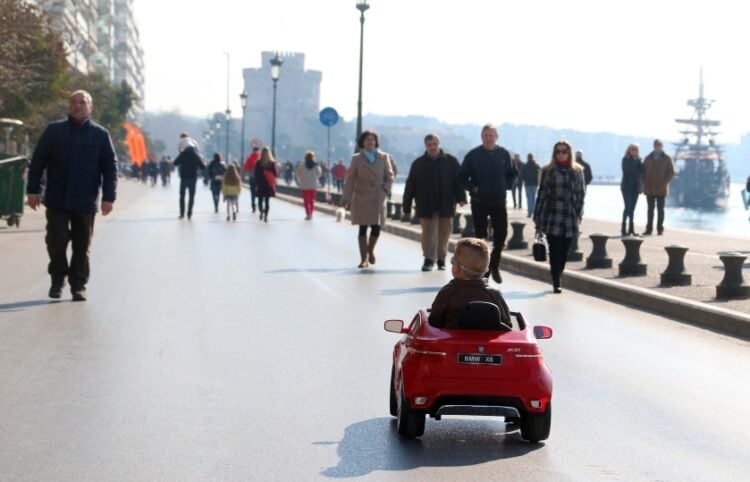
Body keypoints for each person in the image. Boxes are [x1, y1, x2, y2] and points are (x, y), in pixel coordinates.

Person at [26, 90, 118, 301]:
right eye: (74, 102)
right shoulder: (54, 131)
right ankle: (58, 279)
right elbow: (38, 161)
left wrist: (108, 197)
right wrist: (33, 190)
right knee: (55, 241)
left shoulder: (100, 134)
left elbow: (110, 168)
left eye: (83, 102)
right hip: (57, 198)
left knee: (81, 244)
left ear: (90, 108)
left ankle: (78, 285)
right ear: (69, 106)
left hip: (85, 200)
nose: (78, 105)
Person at [457, 124, 518, 284]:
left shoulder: (504, 154)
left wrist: (507, 185)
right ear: (481, 137)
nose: (488, 138)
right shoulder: (473, 155)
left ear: (496, 137)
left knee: (501, 236)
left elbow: (514, 173)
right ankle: (482, 271)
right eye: (486, 135)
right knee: (480, 239)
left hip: (499, 201)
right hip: (479, 202)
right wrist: (473, 188)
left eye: (491, 135)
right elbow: (461, 177)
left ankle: (494, 266)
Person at [402, 133, 466, 271]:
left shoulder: (451, 161)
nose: (432, 147)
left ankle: (441, 259)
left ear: (439, 144)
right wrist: (406, 206)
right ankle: (429, 259)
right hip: (426, 204)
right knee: (428, 234)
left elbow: (458, 182)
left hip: (446, 204)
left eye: (435, 144)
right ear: (426, 146)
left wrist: (461, 198)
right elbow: (410, 185)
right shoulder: (418, 164)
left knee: (444, 234)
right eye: (429, 145)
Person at [533, 140, 586, 294]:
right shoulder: (548, 170)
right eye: (558, 151)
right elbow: (541, 193)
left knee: (564, 251)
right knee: (554, 248)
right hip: (552, 213)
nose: (561, 154)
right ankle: (556, 280)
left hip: (569, 215)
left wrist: (578, 212)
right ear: (554, 154)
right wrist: (538, 215)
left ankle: (559, 273)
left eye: (564, 151)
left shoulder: (577, 171)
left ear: (569, 153)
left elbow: (581, 194)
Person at [428, 238, 511, 329]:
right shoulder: (494, 294)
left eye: (453, 261)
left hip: (453, 341)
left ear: (457, 268)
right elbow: (507, 323)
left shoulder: (448, 293)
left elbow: (434, 321)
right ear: (486, 270)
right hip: (487, 342)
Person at [342, 129, 395, 268]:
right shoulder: (356, 159)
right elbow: (350, 179)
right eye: (367, 140)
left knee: (377, 227)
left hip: (378, 195)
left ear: (376, 142)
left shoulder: (383, 157)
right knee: (363, 227)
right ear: (362, 142)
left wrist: (385, 189)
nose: (370, 142)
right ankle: (363, 258)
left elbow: (389, 176)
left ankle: (370, 250)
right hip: (361, 196)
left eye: (372, 139)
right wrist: (346, 198)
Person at [642, 139, 675, 235]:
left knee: (661, 210)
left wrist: (664, 183)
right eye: (656, 145)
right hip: (649, 188)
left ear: (662, 146)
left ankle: (660, 229)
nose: (657, 147)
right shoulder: (648, 158)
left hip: (661, 188)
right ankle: (649, 229)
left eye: (659, 145)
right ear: (653, 146)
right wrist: (645, 182)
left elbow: (671, 172)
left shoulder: (667, 158)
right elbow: (642, 172)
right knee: (650, 210)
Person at [173, 133, 205, 220]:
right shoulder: (196, 155)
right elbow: (203, 167)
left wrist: (181, 154)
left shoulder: (183, 154)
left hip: (184, 177)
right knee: (191, 196)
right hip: (193, 178)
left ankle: (182, 213)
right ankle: (189, 213)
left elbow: (175, 163)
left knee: (182, 196)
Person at [620, 143, 643, 236]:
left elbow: (642, 171)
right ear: (629, 150)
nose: (634, 151)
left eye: (636, 150)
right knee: (627, 207)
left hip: (635, 187)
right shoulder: (625, 159)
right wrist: (635, 162)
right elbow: (628, 170)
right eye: (632, 149)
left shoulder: (639, 161)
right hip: (626, 187)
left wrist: (638, 162)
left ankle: (631, 229)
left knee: (632, 208)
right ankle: (623, 227)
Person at [295, 150, 322, 220]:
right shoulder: (316, 165)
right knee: (312, 200)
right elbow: (319, 173)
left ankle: (308, 214)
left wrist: (300, 179)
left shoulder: (302, 165)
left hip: (304, 185)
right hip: (313, 185)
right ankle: (311, 213)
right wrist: (315, 178)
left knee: (306, 201)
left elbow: (297, 173)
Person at [254, 147, 277, 222]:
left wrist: (257, 182)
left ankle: (261, 211)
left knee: (260, 200)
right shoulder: (271, 163)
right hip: (268, 184)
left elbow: (256, 174)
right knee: (267, 201)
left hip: (261, 184)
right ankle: (266, 216)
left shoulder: (258, 162)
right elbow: (275, 174)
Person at [521, 153, 541, 217]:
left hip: (527, 184)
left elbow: (522, 174)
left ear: (528, 158)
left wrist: (525, 179)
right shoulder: (536, 165)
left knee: (529, 198)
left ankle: (530, 212)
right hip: (535, 184)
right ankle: (534, 211)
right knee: (534, 198)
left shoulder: (525, 165)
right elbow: (541, 171)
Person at [242, 146, 260, 213]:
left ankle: (253, 205)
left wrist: (243, 177)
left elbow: (246, 167)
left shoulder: (250, 157)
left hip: (252, 177)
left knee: (252, 192)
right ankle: (259, 203)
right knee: (259, 190)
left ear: (253, 150)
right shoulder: (261, 157)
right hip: (259, 178)